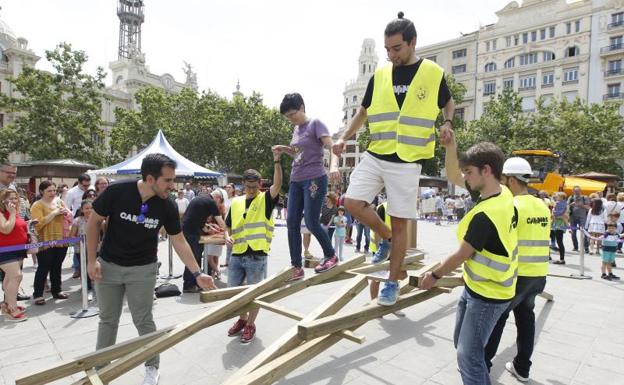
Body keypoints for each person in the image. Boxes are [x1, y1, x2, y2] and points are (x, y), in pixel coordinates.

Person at [333, 12, 454, 306]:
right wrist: (345, 137)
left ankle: (392, 281)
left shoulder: (432, 73)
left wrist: (447, 123)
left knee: (402, 224)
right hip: (378, 151)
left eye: (396, 48)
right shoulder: (381, 75)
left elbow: (448, 102)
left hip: (409, 159)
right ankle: (386, 239)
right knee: (351, 202)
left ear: (413, 43)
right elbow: (363, 111)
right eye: (387, 49)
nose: (391, 55)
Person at [86, 153, 216, 385]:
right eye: (167, 180)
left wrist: (197, 273)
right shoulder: (117, 192)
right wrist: (91, 260)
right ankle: (101, 370)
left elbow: (179, 240)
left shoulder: (167, 205)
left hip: (143, 270)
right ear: (149, 179)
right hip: (108, 267)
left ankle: (152, 367)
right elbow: (93, 222)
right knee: (107, 320)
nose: (172, 185)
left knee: (144, 320)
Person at [419, 140, 517, 385]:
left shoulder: (486, 215)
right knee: (463, 346)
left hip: (488, 295)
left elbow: (462, 254)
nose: (465, 178)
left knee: (469, 356)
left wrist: (435, 275)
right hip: (479, 287)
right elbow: (453, 174)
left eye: (469, 172)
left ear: (486, 170)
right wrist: (451, 147)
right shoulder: (502, 191)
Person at [483, 157, 550, 383]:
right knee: (526, 320)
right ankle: (522, 368)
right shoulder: (542, 205)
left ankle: (482, 365)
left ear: (511, 180)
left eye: (502, 180)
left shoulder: (512, 206)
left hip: (516, 275)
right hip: (538, 275)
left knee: (497, 318)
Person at [274, 92, 339, 281]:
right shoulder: (296, 130)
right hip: (296, 180)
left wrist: (334, 166)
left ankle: (331, 255)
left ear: (302, 107)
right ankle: (296, 266)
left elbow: (331, 147)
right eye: (287, 117)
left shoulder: (316, 124)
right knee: (291, 222)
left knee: (310, 221)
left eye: (292, 114)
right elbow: (298, 152)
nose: (290, 119)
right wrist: (284, 149)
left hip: (314, 179)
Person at [224, 152, 282, 344]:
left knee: (255, 295)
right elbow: (228, 224)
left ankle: (250, 324)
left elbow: (278, 185)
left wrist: (276, 160)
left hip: (257, 255)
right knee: (234, 293)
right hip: (237, 253)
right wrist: (227, 236)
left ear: (260, 185)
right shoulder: (236, 202)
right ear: (242, 184)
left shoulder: (265, 199)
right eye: (247, 186)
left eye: (254, 187)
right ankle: (241, 320)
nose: (250, 190)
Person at [30, 181, 73, 305]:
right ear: (42, 191)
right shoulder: (37, 205)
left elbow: (68, 217)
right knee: (44, 267)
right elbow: (37, 224)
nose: (53, 193)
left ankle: (57, 290)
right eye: (49, 191)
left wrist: (66, 213)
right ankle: (38, 294)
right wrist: (54, 213)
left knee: (57, 266)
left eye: (54, 190)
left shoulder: (59, 201)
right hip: (44, 241)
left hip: (61, 239)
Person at [180, 185, 225, 293]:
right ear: (217, 198)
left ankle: (194, 282)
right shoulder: (211, 202)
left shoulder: (200, 198)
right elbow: (221, 222)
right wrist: (227, 233)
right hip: (192, 233)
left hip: (188, 230)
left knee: (194, 257)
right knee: (194, 258)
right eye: (220, 203)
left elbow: (198, 220)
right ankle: (189, 285)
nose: (218, 206)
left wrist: (210, 228)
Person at [0, 188, 28, 321]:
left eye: (15, 198)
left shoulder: (15, 212)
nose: (14, 201)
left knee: (9, 278)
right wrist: (11, 214)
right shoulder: (2, 213)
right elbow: (5, 229)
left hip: (18, 249)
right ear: (2, 200)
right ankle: (12, 307)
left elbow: (17, 227)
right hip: (5, 250)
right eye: (10, 198)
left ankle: (7, 304)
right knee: (16, 276)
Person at [203, 189, 227, 280]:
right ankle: (214, 273)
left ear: (219, 199)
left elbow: (218, 222)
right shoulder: (220, 207)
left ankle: (217, 271)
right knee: (215, 257)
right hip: (216, 235)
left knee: (210, 257)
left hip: (216, 234)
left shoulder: (218, 209)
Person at [70, 199, 94, 279]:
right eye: (87, 208)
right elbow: (71, 237)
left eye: (91, 208)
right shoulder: (77, 221)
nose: (89, 210)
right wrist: (81, 240)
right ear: (82, 210)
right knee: (84, 269)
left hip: (95, 249)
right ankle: (85, 287)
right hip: (81, 250)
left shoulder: (98, 220)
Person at [568, 186, 590, 253]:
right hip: (572, 217)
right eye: (575, 191)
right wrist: (571, 204)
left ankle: (586, 247)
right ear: (573, 191)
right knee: (573, 233)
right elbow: (566, 206)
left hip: (582, 217)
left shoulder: (585, 197)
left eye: (578, 191)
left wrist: (581, 205)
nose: (577, 192)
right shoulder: (571, 197)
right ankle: (575, 247)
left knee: (584, 232)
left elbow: (588, 207)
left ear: (581, 191)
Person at [551, 192, 568, 264]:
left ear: (561, 197)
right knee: (559, 241)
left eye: (557, 196)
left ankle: (562, 259)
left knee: (559, 242)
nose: (556, 198)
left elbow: (563, 215)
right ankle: (561, 258)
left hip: (559, 225)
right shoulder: (563, 204)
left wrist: (555, 215)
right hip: (558, 224)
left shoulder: (560, 204)